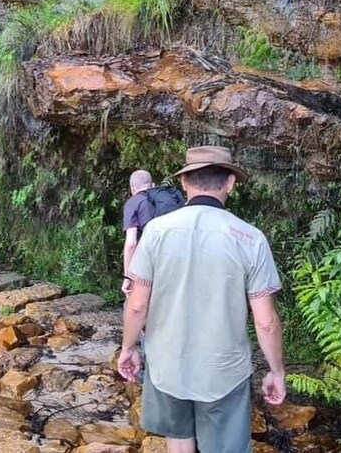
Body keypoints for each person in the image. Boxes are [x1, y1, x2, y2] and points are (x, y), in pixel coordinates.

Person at [118, 146, 286, 453]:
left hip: (166, 362)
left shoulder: (156, 231)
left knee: (179, 439)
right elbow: (266, 321)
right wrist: (277, 371)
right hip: (223, 369)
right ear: (230, 182)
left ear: (184, 183)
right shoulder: (250, 238)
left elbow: (138, 304)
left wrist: (128, 347)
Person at [121, 170, 154, 297]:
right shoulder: (165, 200)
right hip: (174, 261)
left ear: (132, 188)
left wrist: (128, 277)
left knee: (135, 306)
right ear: (153, 185)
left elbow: (131, 243)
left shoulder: (134, 202)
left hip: (148, 262)